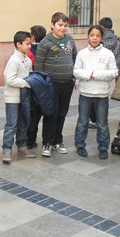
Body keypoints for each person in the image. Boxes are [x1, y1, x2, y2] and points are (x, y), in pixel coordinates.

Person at [35, 12, 77, 157]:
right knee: (51, 113)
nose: (63, 28)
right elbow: (39, 66)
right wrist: (42, 85)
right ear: (52, 25)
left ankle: (58, 141)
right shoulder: (44, 43)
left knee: (62, 113)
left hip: (67, 83)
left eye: (65, 25)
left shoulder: (70, 40)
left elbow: (74, 58)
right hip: (51, 85)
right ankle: (47, 142)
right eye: (60, 25)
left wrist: (73, 76)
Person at [73, 25, 118, 160]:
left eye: (98, 36)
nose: (94, 38)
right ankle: (80, 145)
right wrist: (88, 74)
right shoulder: (82, 53)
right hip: (85, 93)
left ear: (101, 37)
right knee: (82, 121)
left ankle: (103, 147)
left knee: (102, 123)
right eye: (92, 35)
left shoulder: (108, 54)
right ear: (88, 36)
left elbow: (114, 72)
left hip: (101, 94)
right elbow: (76, 71)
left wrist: (96, 74)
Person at [1, 31, 36, 163]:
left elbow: (29, 74)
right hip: (13, 98)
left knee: (23, 123)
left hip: (24, 98)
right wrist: (27, 83)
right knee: (12, 124)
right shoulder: (14, 60)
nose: (29, 46)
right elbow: (9, 79)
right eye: (27, 44)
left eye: (30, 44)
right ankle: (7, 150)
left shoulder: (27, 60)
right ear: (18, 44)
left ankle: (22, 147)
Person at [26, 25, 47, 149]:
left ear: (32, 37)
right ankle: (32, 139)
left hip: (30, 86)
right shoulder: (46, 49)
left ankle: (28, 140)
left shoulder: (29, 52)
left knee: (30, 114)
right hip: (42, 86)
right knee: (37, 114)